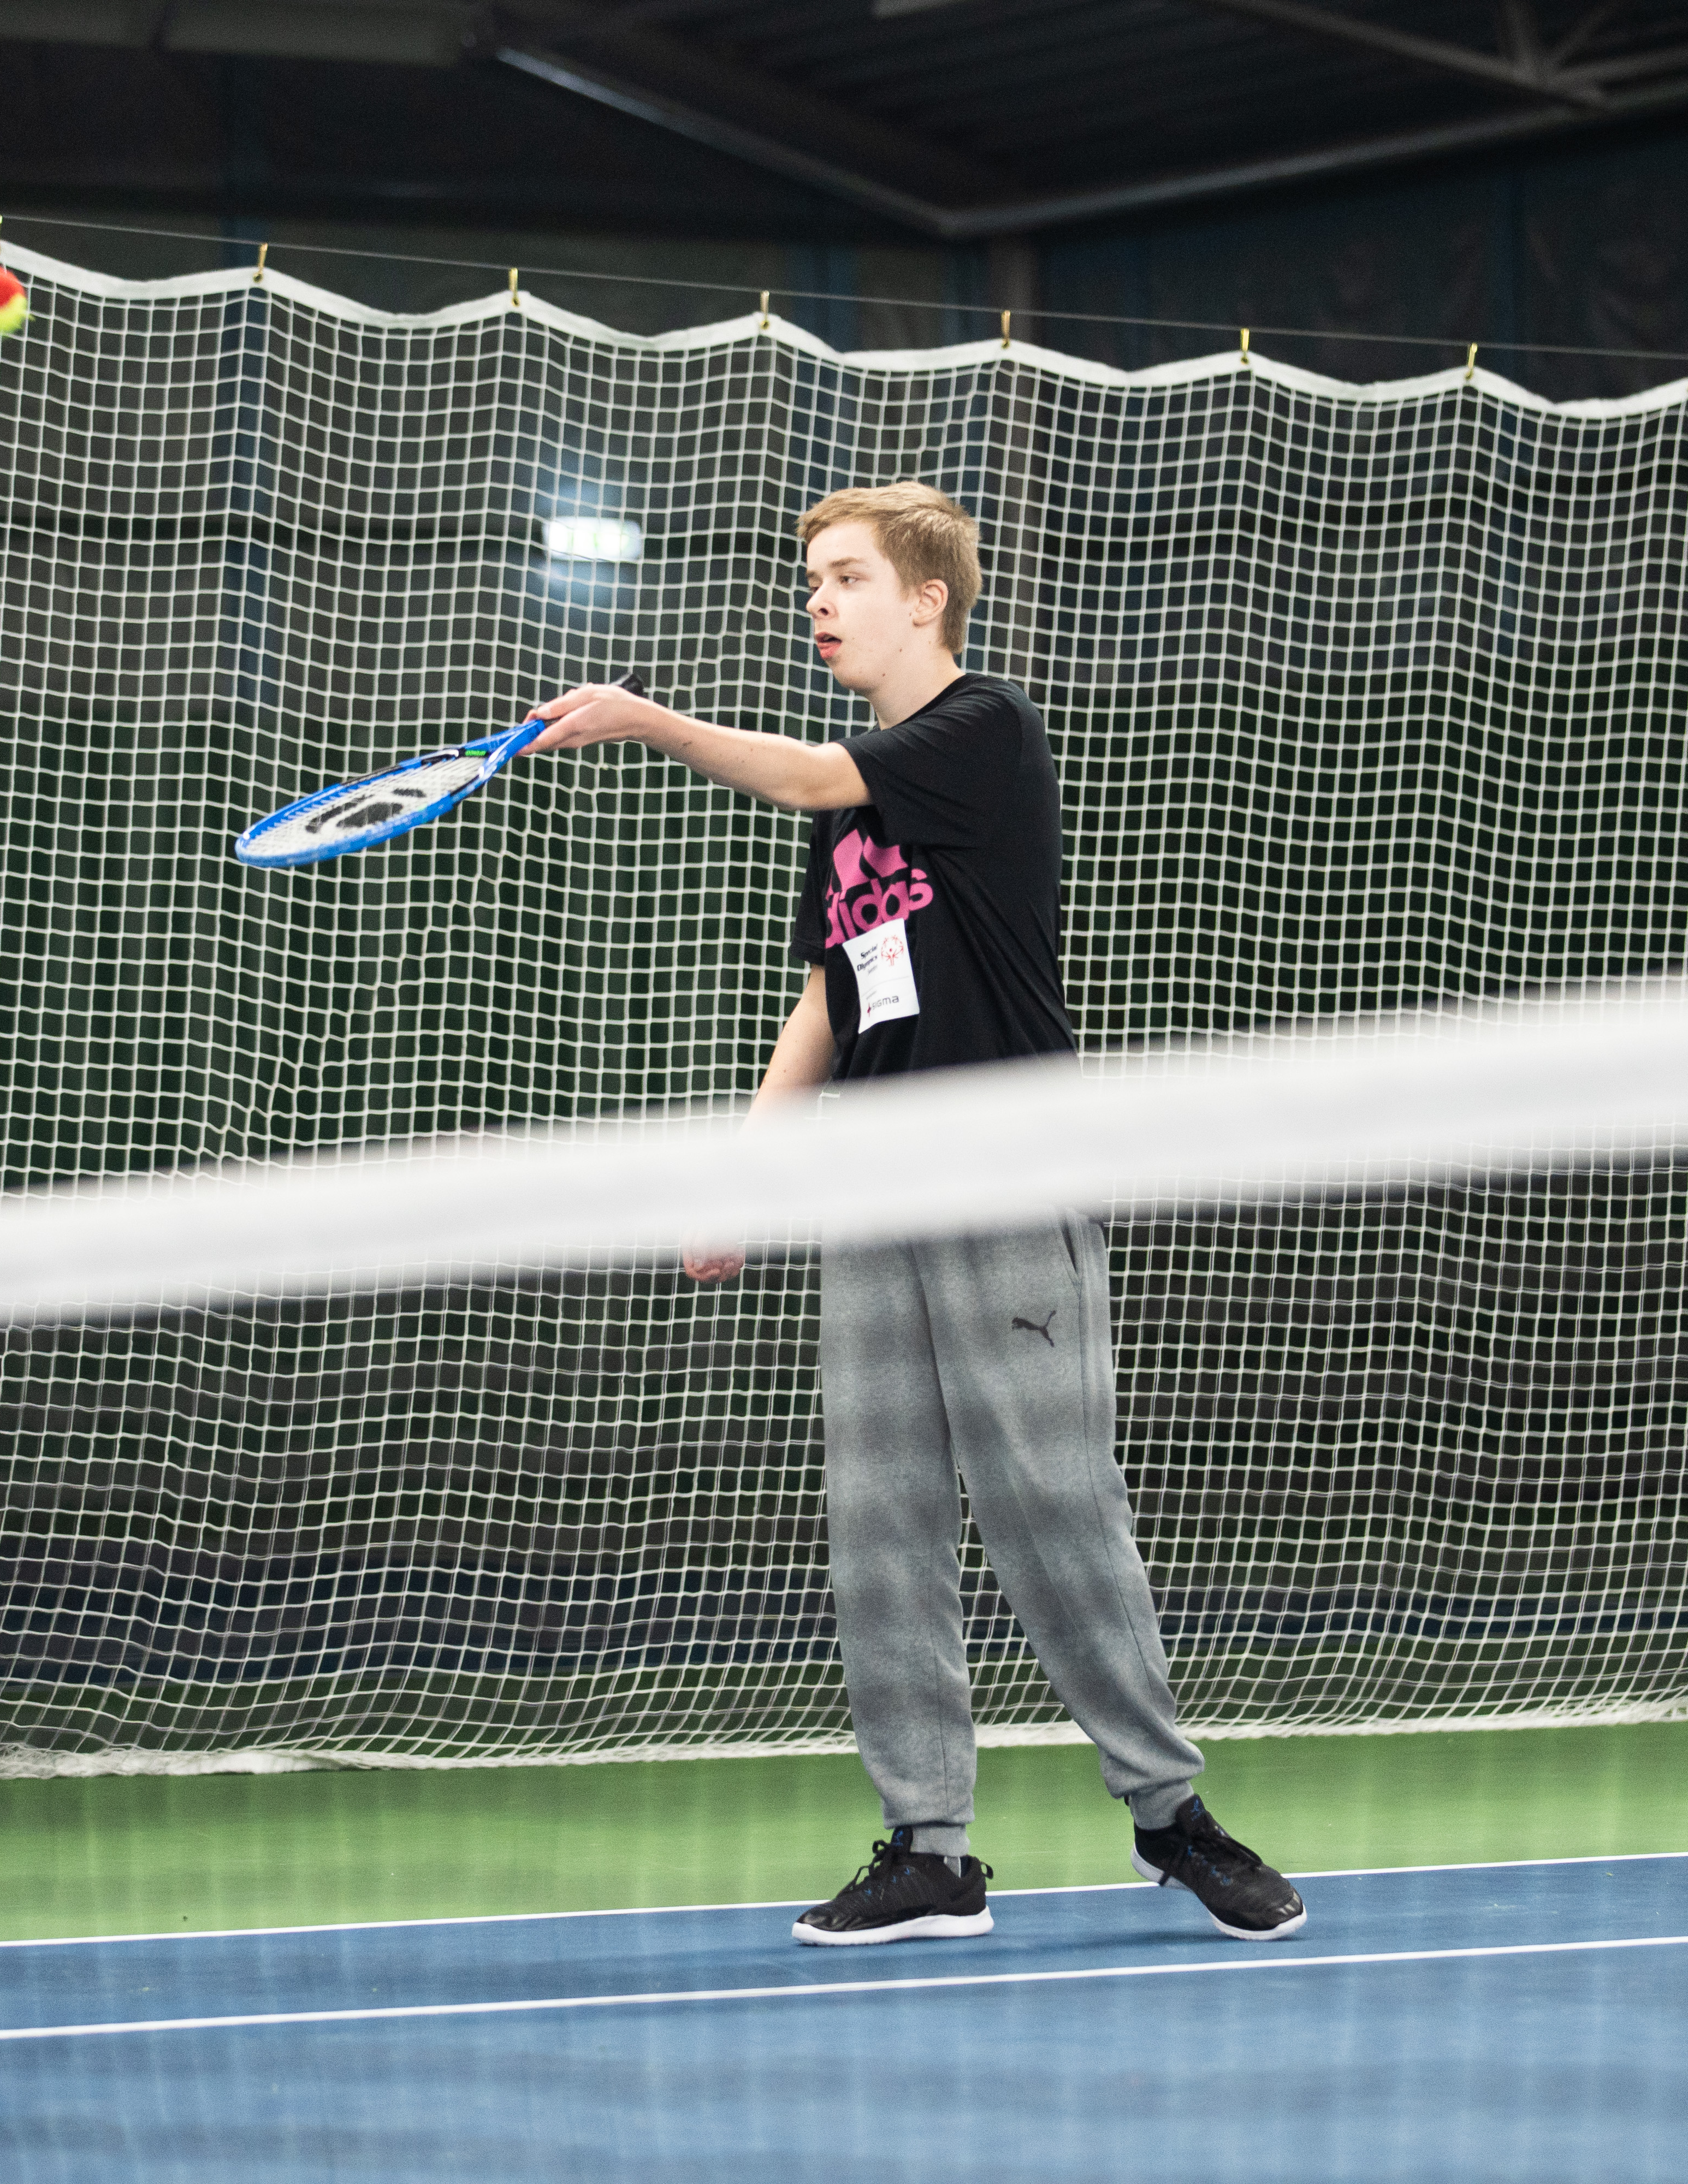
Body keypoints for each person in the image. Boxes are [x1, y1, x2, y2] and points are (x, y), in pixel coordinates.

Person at [523, 480, 1306, 1949]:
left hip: (1003, 1172)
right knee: (881, 1527)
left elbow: (818, 782)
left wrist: (653, 722)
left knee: (1055, 1517)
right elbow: (836, 983)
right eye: (810, 581)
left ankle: (1171, 1819)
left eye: (843, 578)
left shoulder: (980, 732)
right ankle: (929, 1848)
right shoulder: (865, 799)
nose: (816, 602)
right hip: (872, 1187)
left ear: (925, 598)